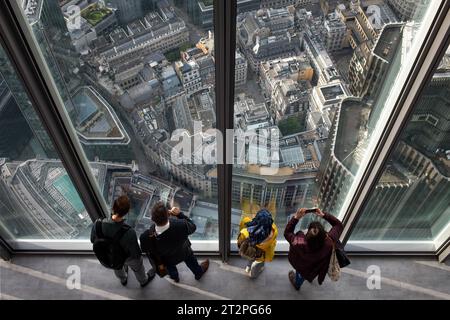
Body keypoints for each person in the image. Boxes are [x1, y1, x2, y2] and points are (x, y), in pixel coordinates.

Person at [90, 195, 155, 287]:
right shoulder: (129, 232)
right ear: (126, 212)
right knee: (138, 267)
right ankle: (143, 281)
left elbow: (93, 240)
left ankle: (123, 279)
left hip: (110, 254)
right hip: (128, 258)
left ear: (113, 207)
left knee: (117, 265)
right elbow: (135, 254)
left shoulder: (97, 224)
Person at [140, 201, 209, 283]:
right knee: (191, 260)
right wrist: (179, 214)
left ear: (152, 218)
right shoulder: (181, 224)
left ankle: (175, 277)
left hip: (166, 259)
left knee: (170, 267)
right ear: (169, 214)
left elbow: (144, 249)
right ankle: (198, 273)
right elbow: (193, 227)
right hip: (184, 252)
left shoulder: (146, 236)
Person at [284, 207, 343, 290]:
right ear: (324, 235)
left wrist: (296, 217)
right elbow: (339, 225)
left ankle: (297, 284)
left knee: (300, 273)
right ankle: (303, 279)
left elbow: (287, 233)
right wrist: (323, 215)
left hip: (299, 263)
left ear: (307, 232)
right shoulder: (329, 242)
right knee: (306, 274)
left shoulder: (298, 242)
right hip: (313, 268)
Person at [237, 207, 278, 279]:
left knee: (250, 257)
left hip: (250, 251)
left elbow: (239, 242)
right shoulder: (274, 230)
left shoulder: (245, 230)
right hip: (261, 255)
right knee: (258, 264)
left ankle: (248, 267)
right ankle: (253, 275)